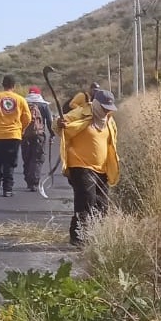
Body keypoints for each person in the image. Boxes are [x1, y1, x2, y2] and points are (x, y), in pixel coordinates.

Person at [56, 88, 120, 245]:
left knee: (101, 205)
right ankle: (78, 237)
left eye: (109, 109)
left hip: (102, 168)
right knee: (86, 201)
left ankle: (95, 236)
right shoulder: (81, 113)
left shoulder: (109, 120)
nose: (106, 111)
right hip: (81, 165)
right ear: (97, 104)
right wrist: (59, 123)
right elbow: (58, 124)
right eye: (104, 108)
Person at [0, 75, 32, 197]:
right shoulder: (20, 99)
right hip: (14, 135)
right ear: (14, 86)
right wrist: (22, 129)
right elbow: (28, 118)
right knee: (10, 163)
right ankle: (8, 189)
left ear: (3, 84)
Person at [21, 85, 54, 191]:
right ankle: (34, 182)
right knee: (38, 158)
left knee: (27, 157)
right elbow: (49, 121)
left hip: (25, 135)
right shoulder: (44, 105)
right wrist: (52, 134)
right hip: (39, 135)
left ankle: (28, 180)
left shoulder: (23, 103)